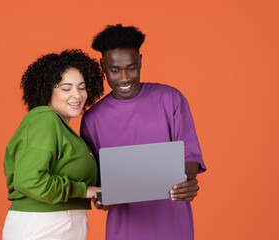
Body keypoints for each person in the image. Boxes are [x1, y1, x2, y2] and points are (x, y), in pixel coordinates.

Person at [80, 24, 207, 240]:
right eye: (115, 70)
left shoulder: (170, 99)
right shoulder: (93, 119)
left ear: (140, 61)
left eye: (131, 68)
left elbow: (189, 155)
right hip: (125, 230)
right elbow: (94, 180)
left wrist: (186, 180)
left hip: (174, 225)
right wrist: (101, 198)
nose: (124, 78)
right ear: (103, 66)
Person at [3, 49, 104, 240]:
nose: (77, 95)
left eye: (82, 87)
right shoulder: (45, 119)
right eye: (66, 88)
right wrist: (85, 190)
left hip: (59, 223)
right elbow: (29, 180)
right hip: (45, 223)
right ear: (47, 90)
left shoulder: (63, 128)